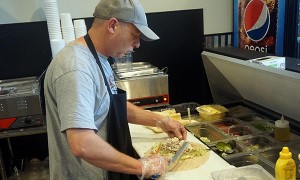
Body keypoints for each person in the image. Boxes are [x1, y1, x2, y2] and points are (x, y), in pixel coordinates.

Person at [43, 0, 187, 179]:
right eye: (135, 35)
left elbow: (110, 104)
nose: (137, 44)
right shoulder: (76, 68)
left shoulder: (99, 58)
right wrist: (142, 166)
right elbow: (82, 143)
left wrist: (160, 121)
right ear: (112, 25)